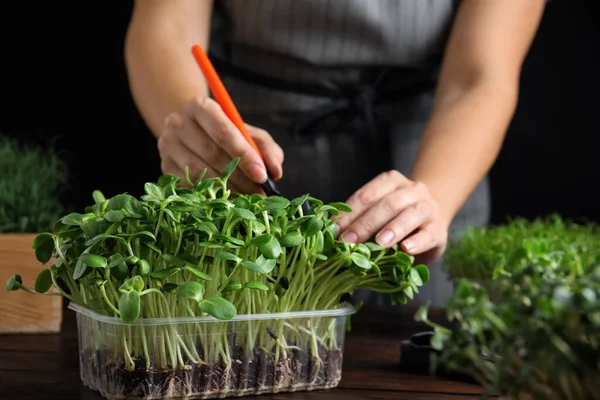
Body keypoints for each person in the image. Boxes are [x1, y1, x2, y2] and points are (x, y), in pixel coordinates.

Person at [124, 0, 546, 310]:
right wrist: (186, 120)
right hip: (252, 156)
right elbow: (167, 29)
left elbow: (480, 76)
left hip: (434, 160)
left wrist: (433, 193)